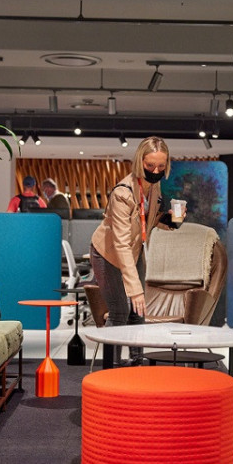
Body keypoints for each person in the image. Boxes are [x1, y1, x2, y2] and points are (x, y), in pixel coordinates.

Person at [89, 136, 183, 366]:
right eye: (150, 165)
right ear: (140, 161)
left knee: (138, 311)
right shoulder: (123, 193)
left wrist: (170, 221)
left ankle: (136, 363)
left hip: (134, 249)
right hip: (108, 253)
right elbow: (120, 243)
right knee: (120, 311)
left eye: (161, 166)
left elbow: (146, 220)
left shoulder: (153, 186)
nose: (155, 171)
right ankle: (110, 369)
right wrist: (135, 289)